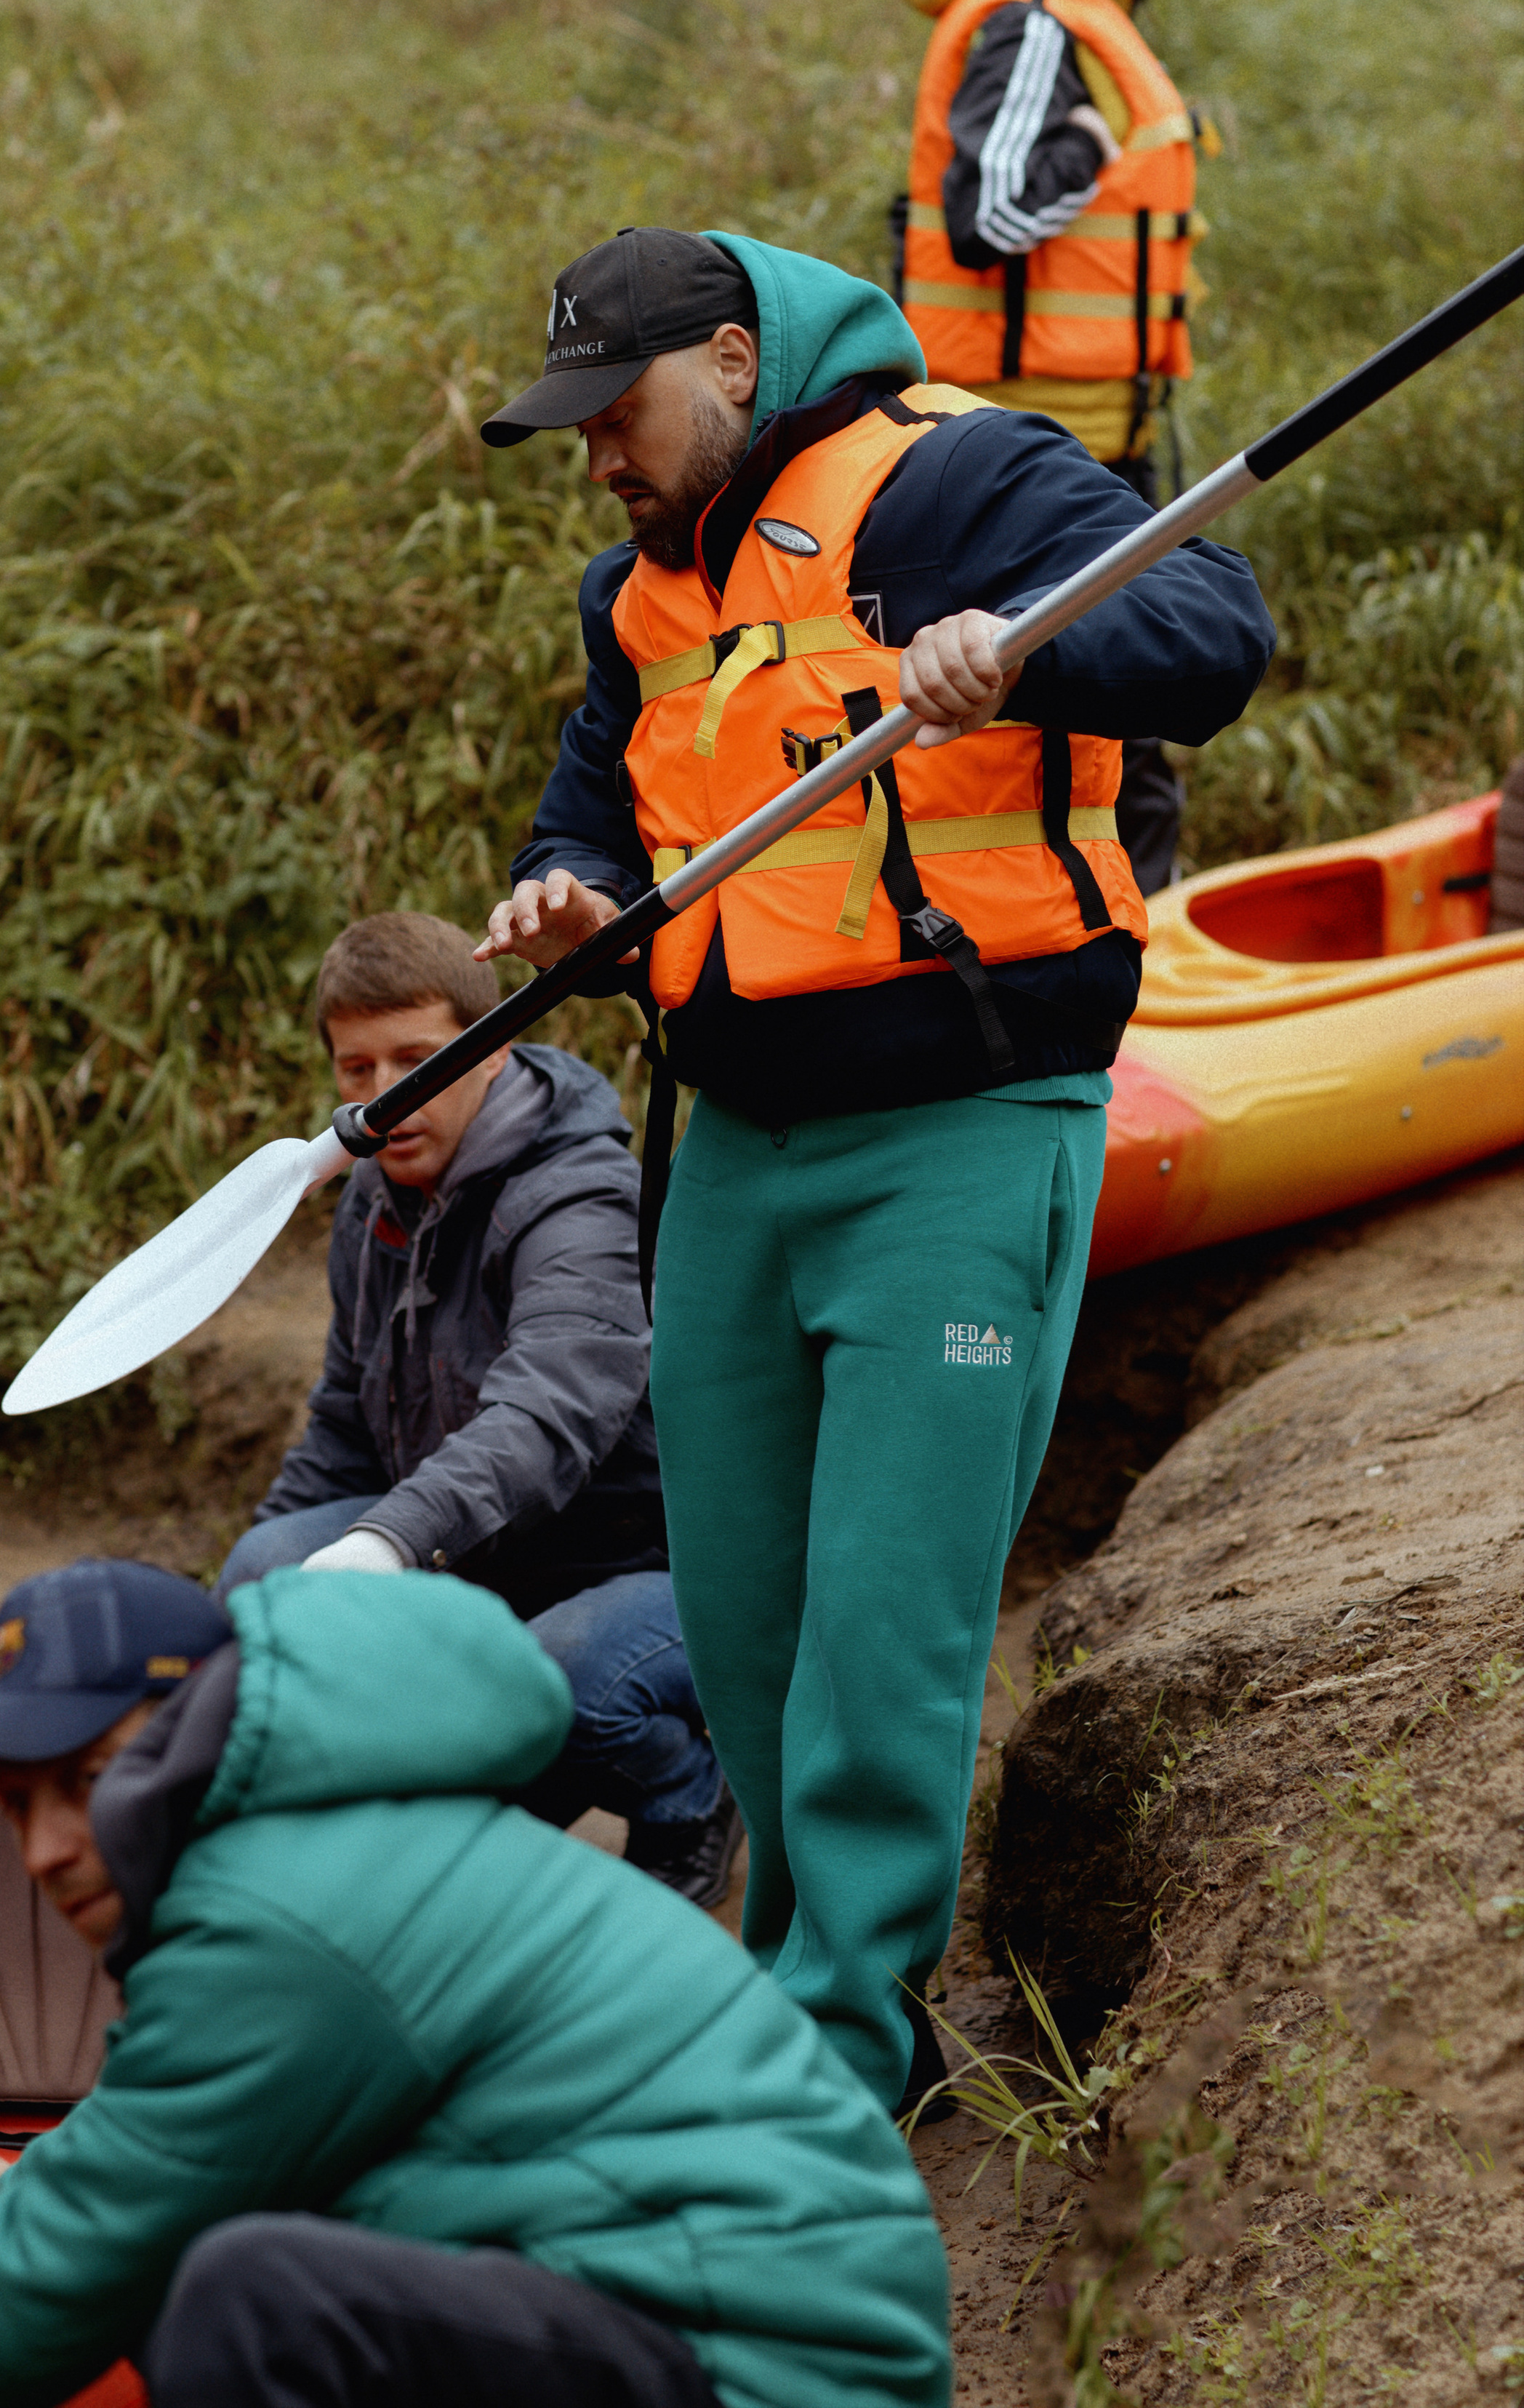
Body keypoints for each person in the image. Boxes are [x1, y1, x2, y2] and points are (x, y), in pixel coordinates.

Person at [476, 222, 1274, 2114]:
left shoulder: (958, 478)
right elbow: (602, 781)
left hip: (964, 1132)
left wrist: (1030, 647)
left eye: (622, 412)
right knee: (746, 1612)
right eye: (576, 428)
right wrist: (562, 876)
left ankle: (846, 2039)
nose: (600, 456)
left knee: (889, 1609)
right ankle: (797, 1988)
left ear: (737, 364)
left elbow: (1216, 630)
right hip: (743, 1147)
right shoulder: (640, 595)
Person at [0, 1556, 951, 2408]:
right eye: (15, 1805)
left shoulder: (277, 1910)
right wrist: (34, 2184)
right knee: (197, 2268)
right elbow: (177, 2148)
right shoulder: (307, 1829)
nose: (45, 1848)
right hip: (687, 2312)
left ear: (188, 1740)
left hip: (779, 2370)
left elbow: (69, 2275)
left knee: (240, 2298)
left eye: (89, 1778)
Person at [217, 911, 738, 1903]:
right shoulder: (372, 1198)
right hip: (487, 1560)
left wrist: (386, 1543)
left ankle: (686, 1788)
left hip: (661, 1568)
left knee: (561, 1688)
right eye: (356, 1070)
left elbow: (545, 1421)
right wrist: (250, 1632)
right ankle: (454, 1781)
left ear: (491, 1046)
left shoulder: (580, 1201)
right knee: (259, 1578)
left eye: (417, 1060)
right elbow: (343, 1422)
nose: (386, 1098)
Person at [894, 0, 1216, 892]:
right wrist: (1082, 141)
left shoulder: (1067, 7)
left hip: (1079, 436)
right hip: (1029, 446)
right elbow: (989, 216)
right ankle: (1134, 1007)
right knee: (1111, 742)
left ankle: (1129, 981)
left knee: (1125, 729)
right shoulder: (1030, 18)